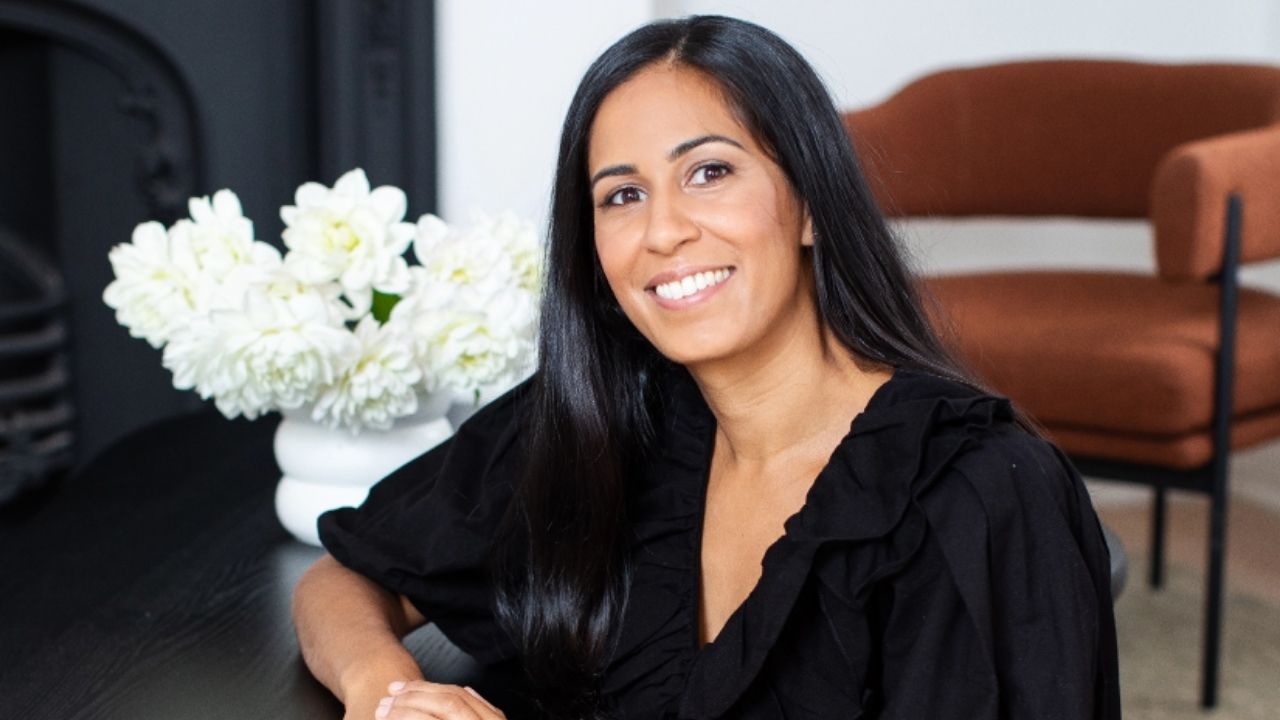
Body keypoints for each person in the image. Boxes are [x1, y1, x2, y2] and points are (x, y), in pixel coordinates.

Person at [292, 15, 1121, 720]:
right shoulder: (608, 423)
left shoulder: (976, 491)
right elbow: (343, 577)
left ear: (807, 203)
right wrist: (388, 690)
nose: (663, 231)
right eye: (622, 195)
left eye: (709, 172)